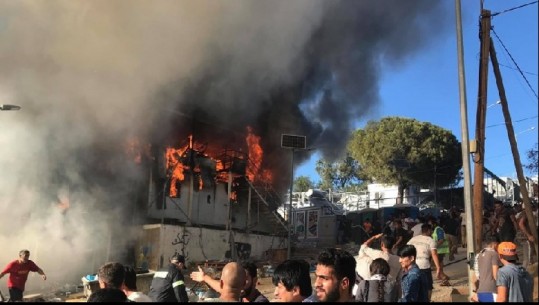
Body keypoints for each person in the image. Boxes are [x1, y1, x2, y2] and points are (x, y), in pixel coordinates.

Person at [190, 260, 268, 302]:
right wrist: (205, 277)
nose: (239, 283)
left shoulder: (261, 301)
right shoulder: (238, 292)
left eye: (245, 279)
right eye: (237, 279)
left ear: (255, 280)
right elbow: (226, 287)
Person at [406, 224, 446, 299]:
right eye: (431, 231)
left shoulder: (413, 239)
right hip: (424, 266)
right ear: (429, 231)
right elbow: (434, 254)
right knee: (428, 287)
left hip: (412, 265)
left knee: (413, 286)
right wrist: (438, 268)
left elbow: (406, 251)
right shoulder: (430, 240)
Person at [471, 236, 500, 302]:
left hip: (480, 291)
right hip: (491, 290)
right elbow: (496, 276)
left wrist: (475, 291)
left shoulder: (478, 255)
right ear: (495, 244)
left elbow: (474, 278)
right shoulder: (494, 254)